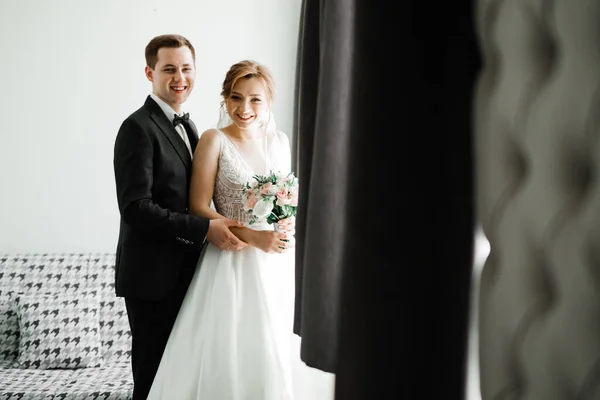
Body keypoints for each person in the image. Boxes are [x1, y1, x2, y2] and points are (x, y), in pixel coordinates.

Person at [147, 60, 335, 399]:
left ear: (269, 101)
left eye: (255, 99)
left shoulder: (280, 141)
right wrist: (253, 237)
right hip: (229, 261)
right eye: (236, 98)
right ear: (225, 99)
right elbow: (199, 207)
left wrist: (285, 220)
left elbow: (285, 198)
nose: (244, 108)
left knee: (278, 345)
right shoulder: (213, 139)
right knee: (232, 349)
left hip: (277, 261)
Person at [113, 34, 248, 400]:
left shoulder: (190, 126)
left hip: (186, 272)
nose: (179, 77)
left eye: (186, 68)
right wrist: (205, 229)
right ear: (149, 72)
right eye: (169, 69)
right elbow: (135, 208)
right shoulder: (137, 128)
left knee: (181, 375)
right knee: (153, 376)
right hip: (151, 276)